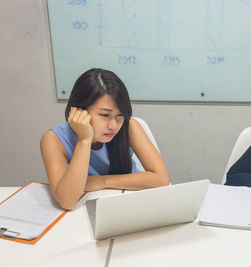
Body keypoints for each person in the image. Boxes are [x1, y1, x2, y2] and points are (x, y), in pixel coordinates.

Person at [40, 68, 170, 210]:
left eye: (120, 115)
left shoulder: (130, 126)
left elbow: (161, 178)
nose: (113, 126)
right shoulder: (53, 139)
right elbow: (67, 201)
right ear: (78, 110)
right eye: (104, 115)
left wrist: (102, 181)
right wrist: (84, 140)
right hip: (89, 210)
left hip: (132, 203)